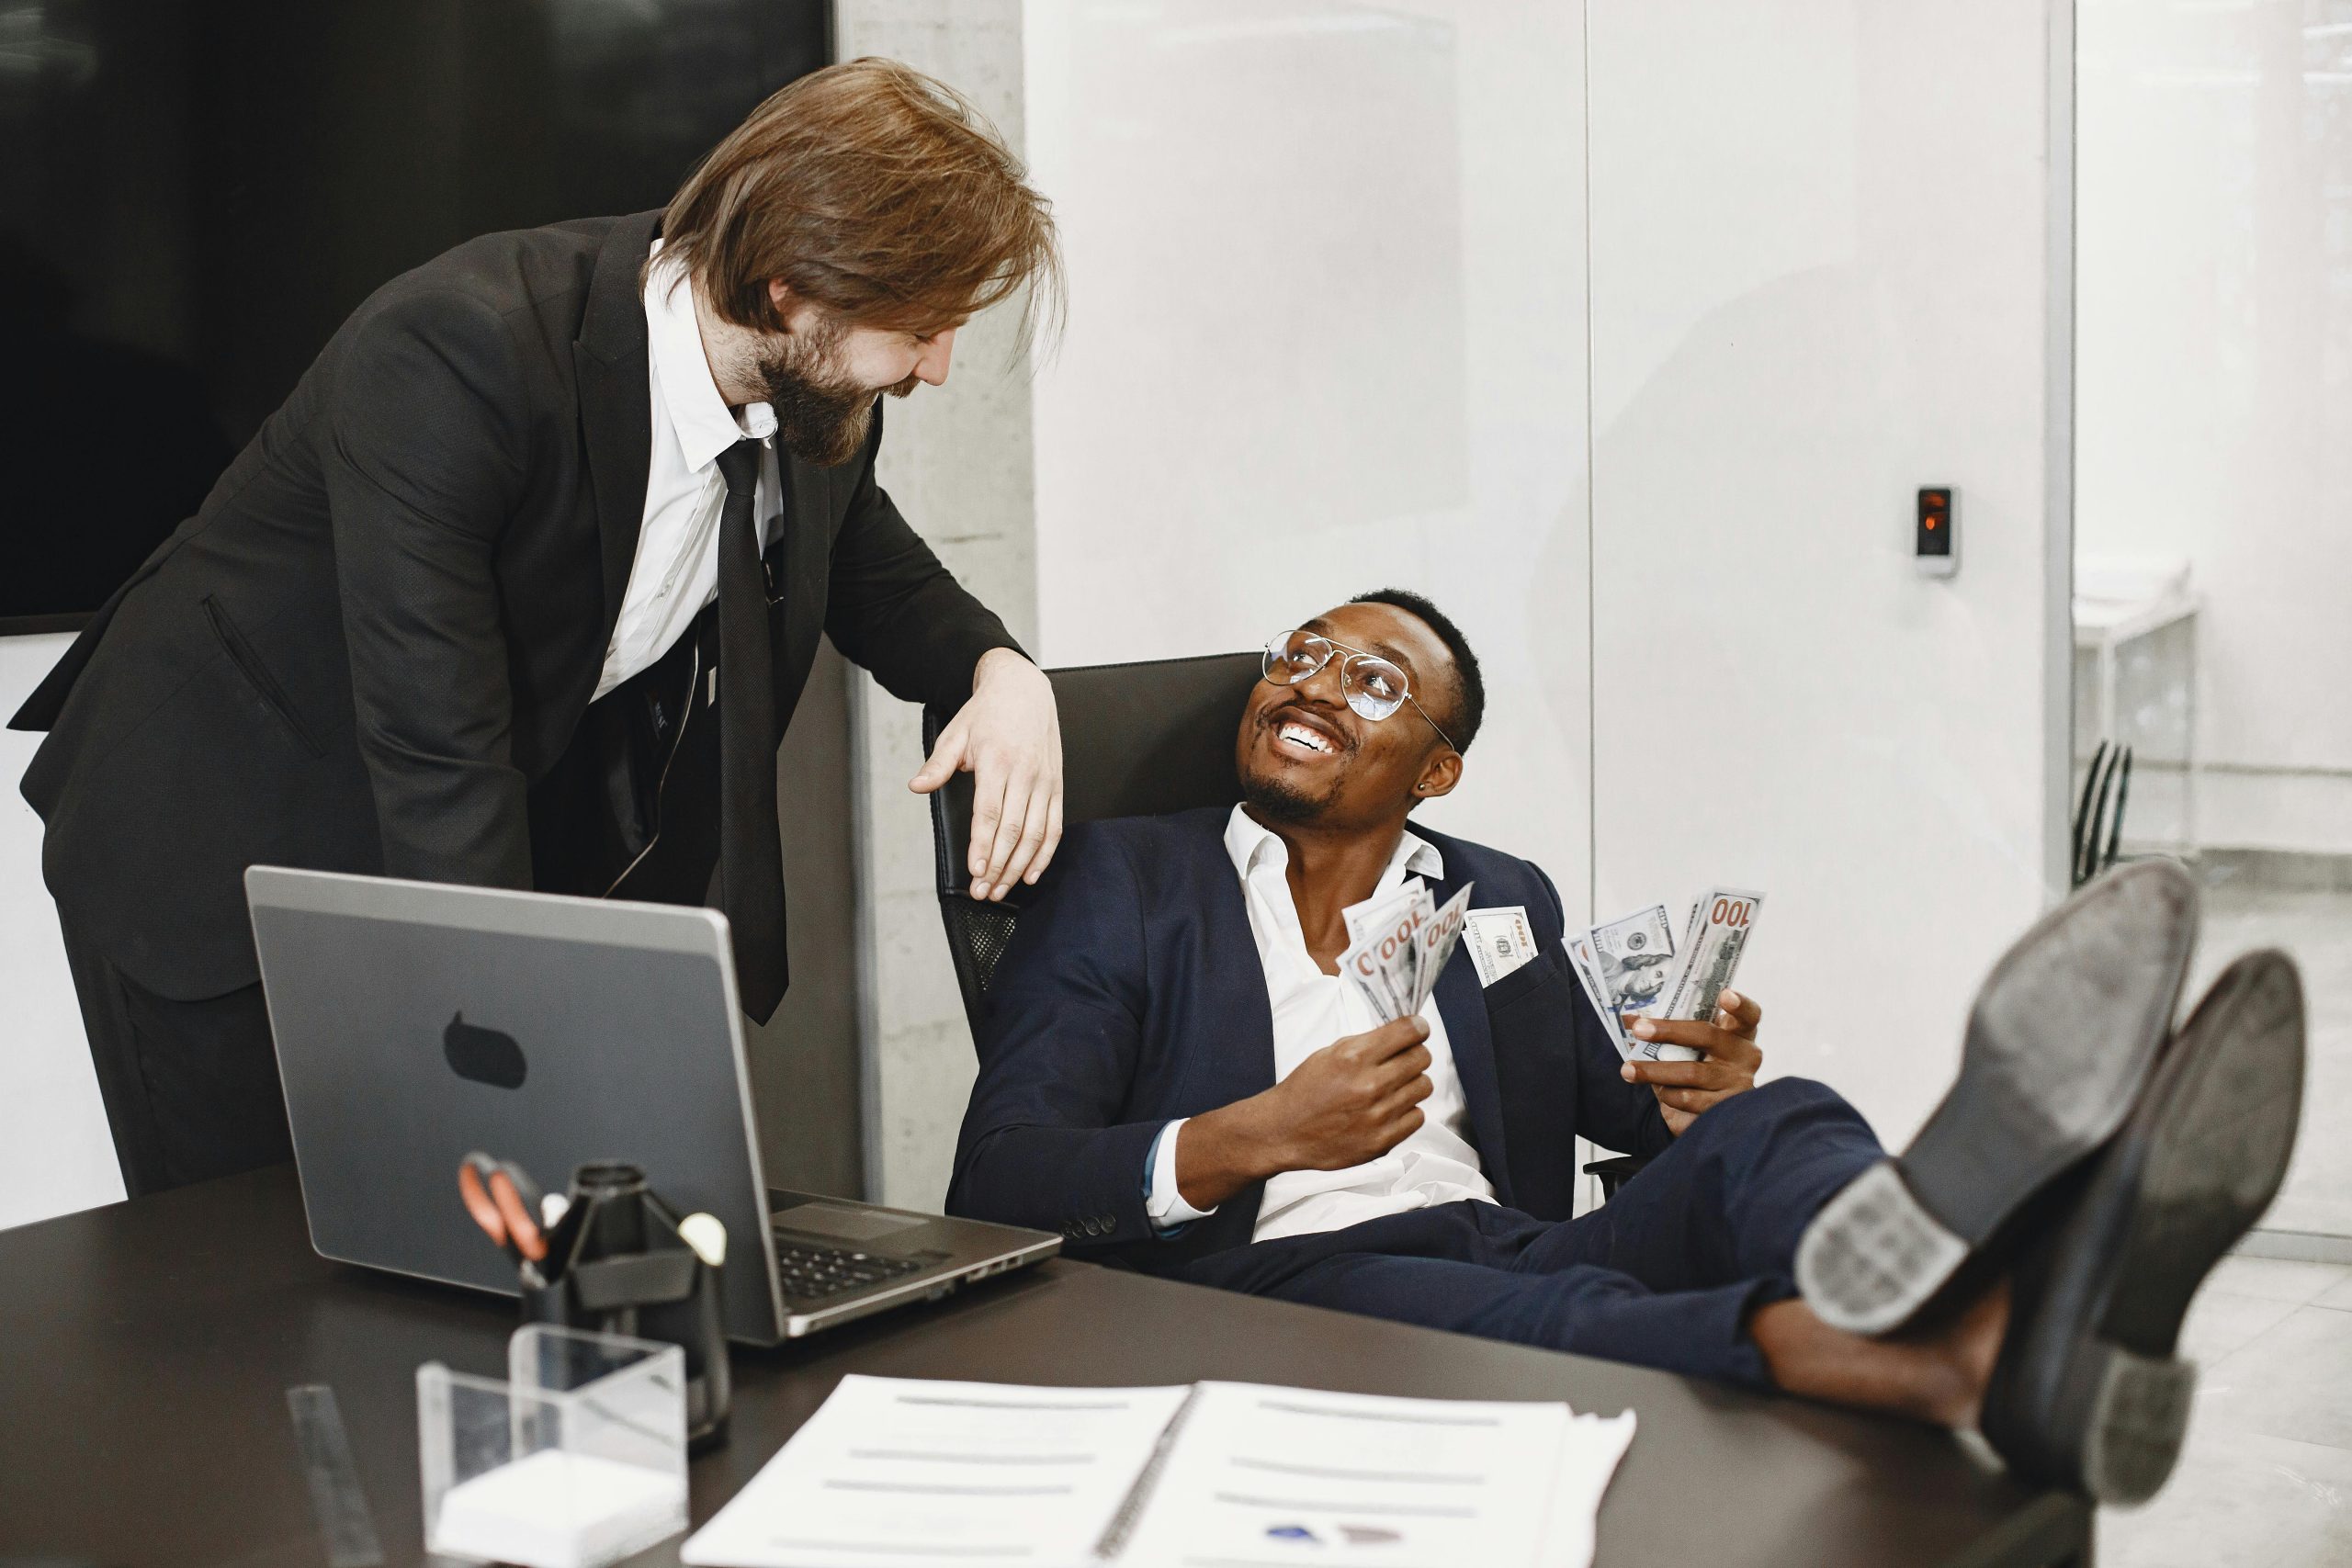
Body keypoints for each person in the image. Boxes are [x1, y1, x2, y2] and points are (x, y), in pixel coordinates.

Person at [946, 590, 2306, 1503]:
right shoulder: (1125, 877)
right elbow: (998, 1176)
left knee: (1782, 1117)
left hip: (1507, 1233)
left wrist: (1693, 1086)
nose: (1311, 685)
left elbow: (1622, 1100)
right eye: (1296, 656)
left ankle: (1975, 1294)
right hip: (1282, 1285)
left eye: (1372, 681)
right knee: (1573, 1327)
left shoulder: (1497, 894)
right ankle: (2009, 1310)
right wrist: (1263, 1132)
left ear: (1435, 771)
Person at [11, 60, 1068, 1197]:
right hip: (215, 832)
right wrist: (508, 1060)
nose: (938, 367)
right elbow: (439, 756)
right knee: (245, 1284)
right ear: (787, 290)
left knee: (467, 1257)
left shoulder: (811, 396)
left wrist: (999, 671)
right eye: (921, 327)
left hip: (443, 838)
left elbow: (877, 571)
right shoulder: (456, 353)